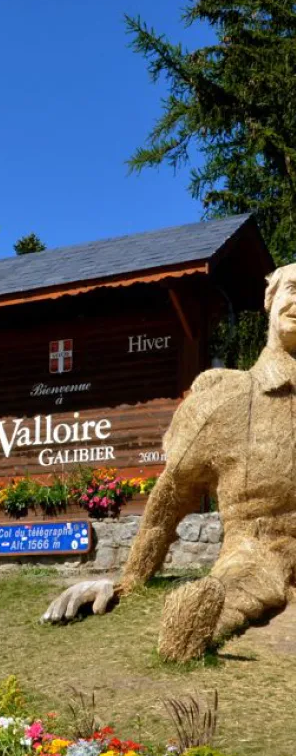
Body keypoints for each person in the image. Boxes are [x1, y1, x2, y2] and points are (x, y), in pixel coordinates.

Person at [42, 263, 296, 661]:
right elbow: (170, 498)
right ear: (270, 300)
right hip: (253, 554)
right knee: (216, 602)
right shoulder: (226, 398)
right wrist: (127, 581)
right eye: (292, 290)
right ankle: (189, 631)